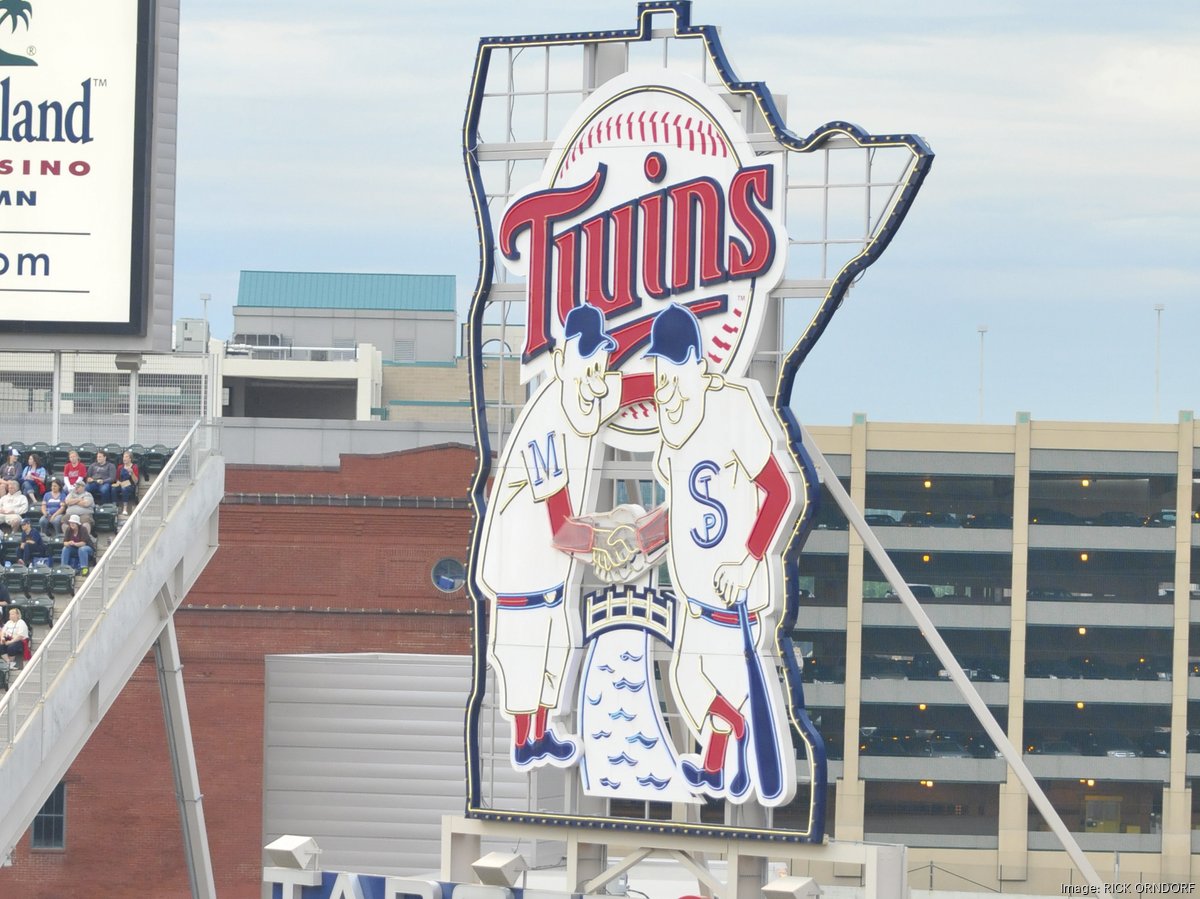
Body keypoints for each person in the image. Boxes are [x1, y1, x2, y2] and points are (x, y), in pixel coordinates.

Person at [635, 303, 804, 805]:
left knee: (718, 684)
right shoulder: (674, 424)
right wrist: (639, 536)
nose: (662, 377)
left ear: (693, 359)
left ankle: (729, 754)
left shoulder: (732, 404)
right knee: (689, 682)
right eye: (657, 367)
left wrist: (750, 560)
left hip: (735, 593)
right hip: (694, 593)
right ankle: (721, 758)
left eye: (668, 365)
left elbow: (778, 491)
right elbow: (684, 507)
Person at [477, 303, 625, 770]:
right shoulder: (544, 424)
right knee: (526, 663)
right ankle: (526, 740)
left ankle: (540, 734)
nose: (598, 380)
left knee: (555, 656)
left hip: (550, 580)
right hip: (520, 581)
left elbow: (629, 388)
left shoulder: (582, 397)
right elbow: (560, 525)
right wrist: (610, 545)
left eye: (602, 367)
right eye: (589, 367)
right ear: (562, 362)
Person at [0, 606, 29, 672]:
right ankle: (9, 662)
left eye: (13, 614)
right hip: (8, 639)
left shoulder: (21, 622)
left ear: (18, 615)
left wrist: (11, 642)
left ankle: (9, 664)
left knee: (11, 647)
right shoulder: (8, 622)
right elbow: (3, 632)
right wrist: (2, 639)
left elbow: (20, 636)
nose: (11, 616)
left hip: (18, 640)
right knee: (1, 645)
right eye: (10, 614)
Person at [114, 450, 140, 516]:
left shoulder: (134, 467)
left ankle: (125, 508)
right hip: (121, 483)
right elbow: (117, 478)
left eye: (126, 457)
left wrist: (132, 473)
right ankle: (115, 506)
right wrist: (118, 481)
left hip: (130, 484)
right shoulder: (120, 467)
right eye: (123, 457)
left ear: (130, 458)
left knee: (124, 489)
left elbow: (136, 481)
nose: (124, 458)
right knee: (113, 488)